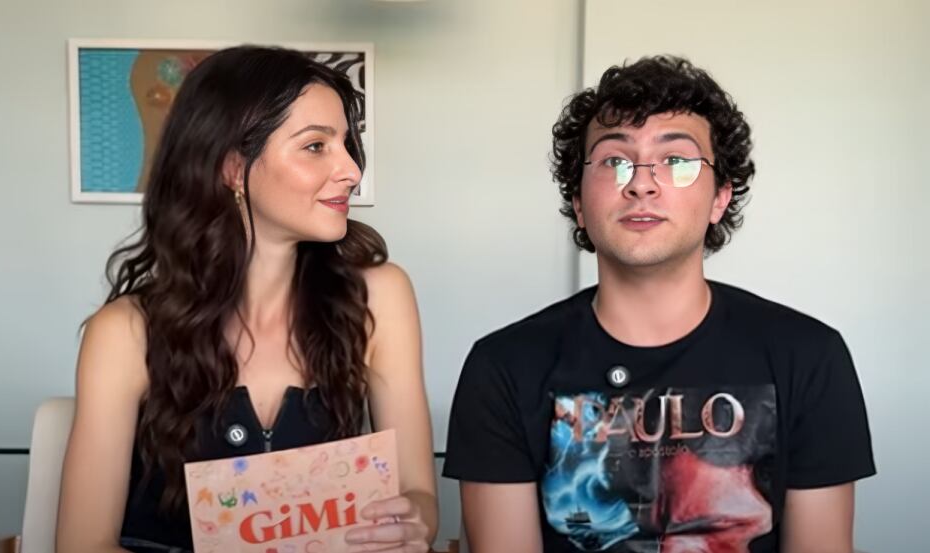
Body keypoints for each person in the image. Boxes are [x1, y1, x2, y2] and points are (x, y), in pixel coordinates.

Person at [443, 55, 875, 553]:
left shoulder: (809, 356)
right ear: (579, 204)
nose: (641, 183)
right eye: (614, 161)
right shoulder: (502, 367)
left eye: (677, 161)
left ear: (720, 198)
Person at [57, 45, 437, 553]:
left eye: (347, 145)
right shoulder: (124, 332)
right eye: (316, 146)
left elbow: (419, 495)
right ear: (234, 168)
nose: (351, 170)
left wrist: (413, 520)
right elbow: (82, 545)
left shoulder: (381, 296)